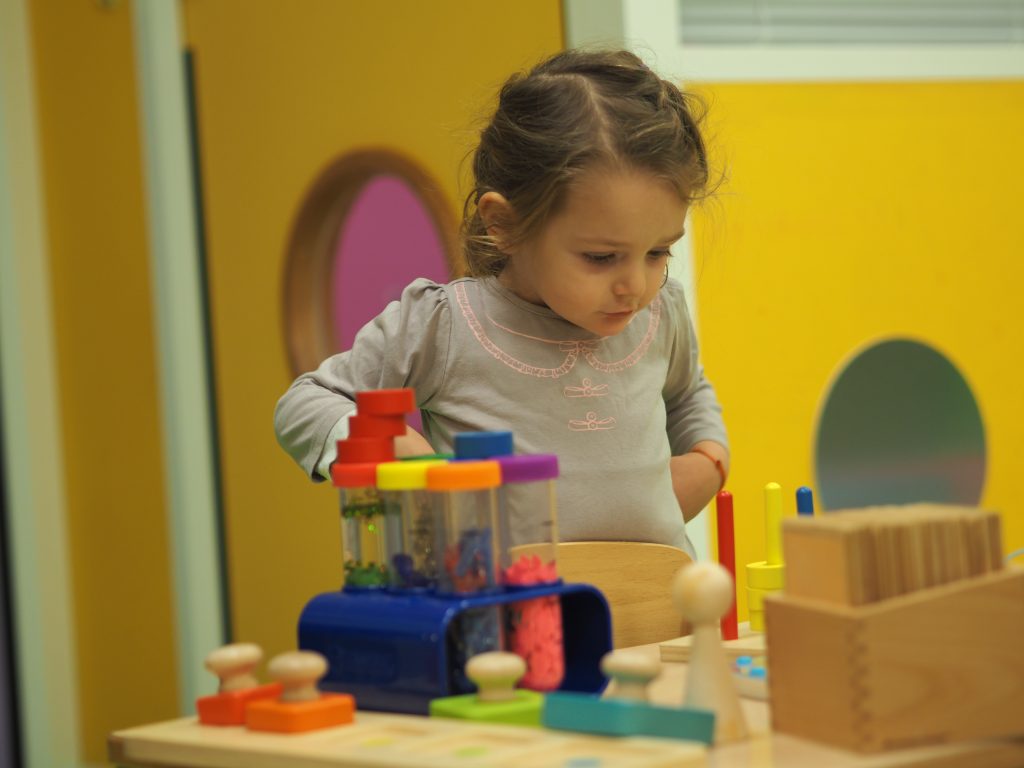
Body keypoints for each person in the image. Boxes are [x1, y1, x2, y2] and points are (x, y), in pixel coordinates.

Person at [275, 48, 728, 559]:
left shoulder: (660, 313)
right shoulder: (445, 326)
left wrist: (710, 457)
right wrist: (387, 448)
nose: (634, 286)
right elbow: (304, 404)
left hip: (661, 612)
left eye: (657, 251)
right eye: (601, 257)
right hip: (508, 624)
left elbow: (687, 392)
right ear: (504, 224)